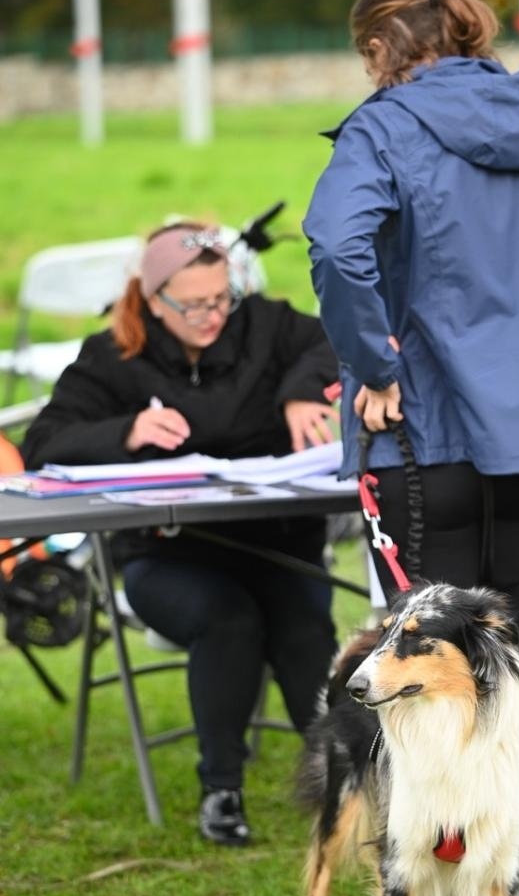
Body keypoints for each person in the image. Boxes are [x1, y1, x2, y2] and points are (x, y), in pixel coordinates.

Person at [304, 0, 519, 896]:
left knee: (424, 674)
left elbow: (333, 242)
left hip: (424, 437)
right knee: (517, 661)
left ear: (378, 50)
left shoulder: (383, 125)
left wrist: (372, 358)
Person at [21, 221, 340, 844]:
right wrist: (126, 435)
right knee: (228, 619)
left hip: (277, 541)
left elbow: (336, 340)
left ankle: (339, 777)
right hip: (166, 557)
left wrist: (304, 391)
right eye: (192, 305)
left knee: (304, 622)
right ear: (152, 300)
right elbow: (41, 444)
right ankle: (222, 788)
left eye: (221, 299)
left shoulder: (267, 326)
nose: (210, 316)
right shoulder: (110, 358)